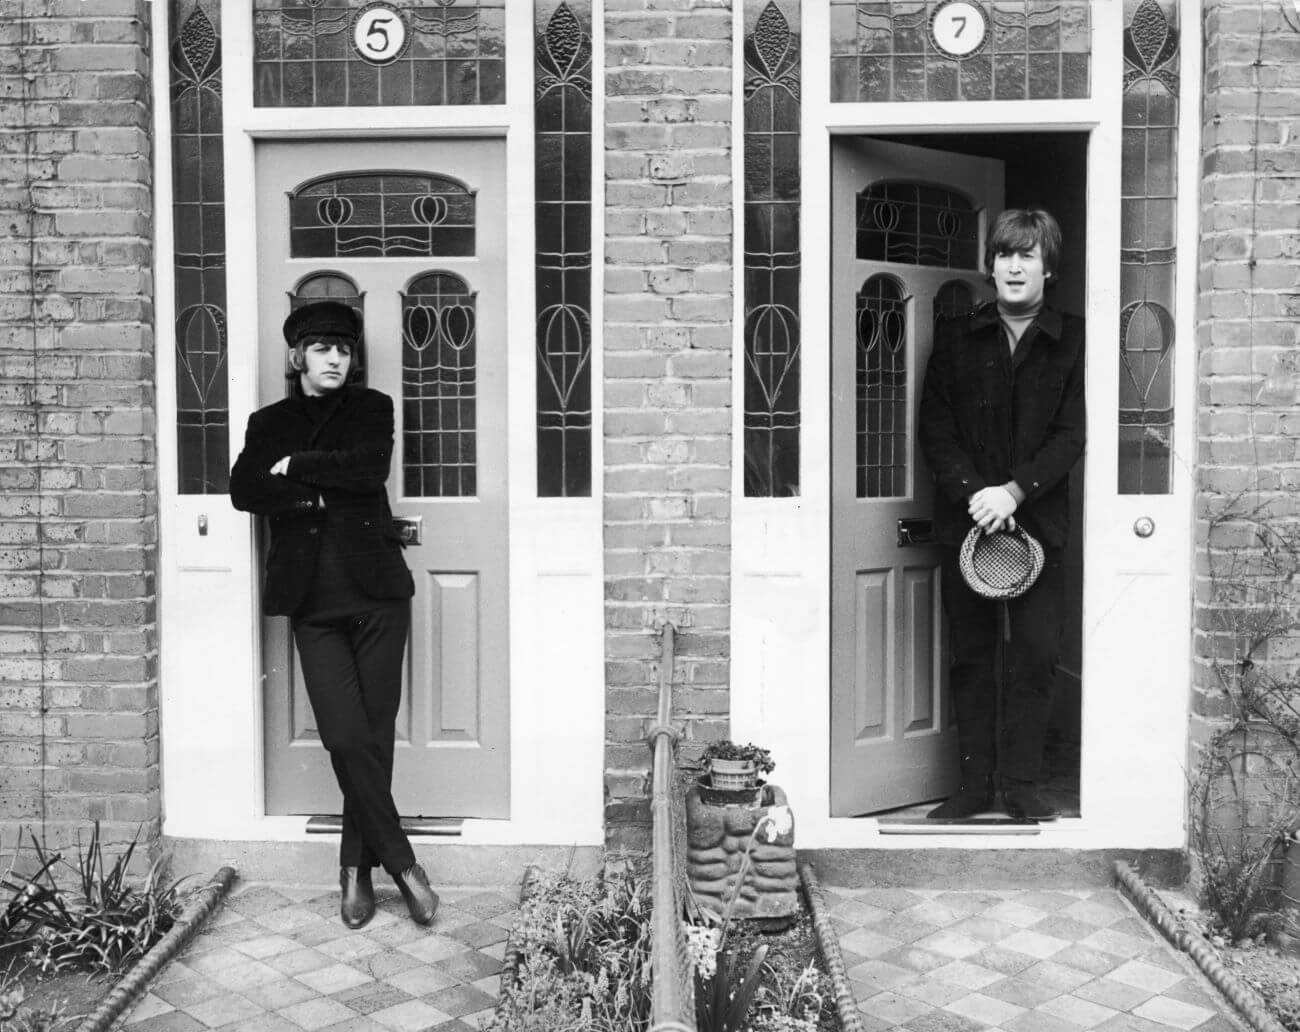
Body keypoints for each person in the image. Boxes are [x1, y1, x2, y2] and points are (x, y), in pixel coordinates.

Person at [230, 300, 439, 928]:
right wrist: (323, 489)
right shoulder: (269, 421)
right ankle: (403, 863)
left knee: (373, 739)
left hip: (377, 596)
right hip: (312, 604)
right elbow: (245, 489)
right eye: (322, 349)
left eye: (344, 350)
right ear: (298, 357)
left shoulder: (371, 409)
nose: (335, 360)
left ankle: (354, 871)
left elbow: (370, 467)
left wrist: (296, 470)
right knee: (346, 737)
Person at [917, 209, 1085, 821]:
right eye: (1005, 255)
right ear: (991, 265)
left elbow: (1072, 435)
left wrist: (1015, 493)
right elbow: (934, 429)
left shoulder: (1073, 339)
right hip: (968, 523)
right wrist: (978, 495)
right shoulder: (958, 336)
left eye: (1028, 255)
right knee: (971, 654)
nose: (1015, 266)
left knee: (1036, 654)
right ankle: (972, 787)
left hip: (1039, 525)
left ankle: (1020, 785)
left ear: (1049, 267)